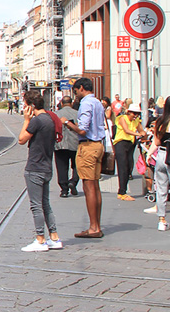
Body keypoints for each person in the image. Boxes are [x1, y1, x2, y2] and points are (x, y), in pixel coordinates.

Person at [17, 90, 61, 252]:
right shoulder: (50, 118)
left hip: (35, 167)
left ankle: (40, 239)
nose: (24, 107)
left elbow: (21, 139)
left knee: (36, 205)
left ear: (31, 106)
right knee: (45, 204)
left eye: (25, 104)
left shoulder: (36, 121)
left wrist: (26, 120)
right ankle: (54, 237)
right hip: (47, 166)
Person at [63, 78, 105, 238]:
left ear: (81, 88)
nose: (76, 95)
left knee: (88, 187)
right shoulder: (97, 102)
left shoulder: (86, 103)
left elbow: (82, 130)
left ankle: (94, 227)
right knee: (95, 186)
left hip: (88, 147)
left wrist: (66, 122)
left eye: (75, 91)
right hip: (98, 145)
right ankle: (96, 225)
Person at [144, 103, 170, 231]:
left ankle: (161, 220)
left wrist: (149, 154)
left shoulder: (160, 121)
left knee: (161, 189)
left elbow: (157, 141)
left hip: (161, 155)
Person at [113, 103, 145, 200]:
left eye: (137, 114)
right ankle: (122, 192)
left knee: (129, 166)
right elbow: (126, 130)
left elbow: (141, 130)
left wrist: (143, 133)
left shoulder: (136, 121)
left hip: (130, 144)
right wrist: (138, 133)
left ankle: (124, 190)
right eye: (134, 113)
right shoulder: (123, 118)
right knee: (122, 167)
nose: (135, 116)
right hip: (121, 143)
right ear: (129, 112)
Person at [54, 96, 79, 197]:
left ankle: (64, 190)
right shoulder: (77, 113)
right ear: (71, 103)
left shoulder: (56, 115)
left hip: (60, 144)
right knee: (77, 166)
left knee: (62, 167)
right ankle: (73, 182)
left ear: (61, 104)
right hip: (75, 144)